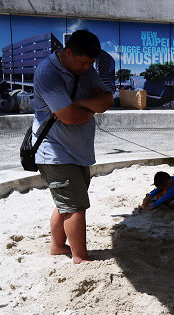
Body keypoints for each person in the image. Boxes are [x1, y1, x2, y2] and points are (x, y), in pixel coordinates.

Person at [33, 29, 114, 264]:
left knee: (67, 202)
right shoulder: (47, 73)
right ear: (68, 52)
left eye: (91, 63)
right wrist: (88, 107)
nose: (87, 68)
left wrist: (79, 103)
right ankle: (80, 258)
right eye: (83, 62)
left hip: (79, 151)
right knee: (75, 206)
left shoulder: (86, 69)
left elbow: (107, 100)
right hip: (55, 150)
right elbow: (69, 117)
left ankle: (58, 247)